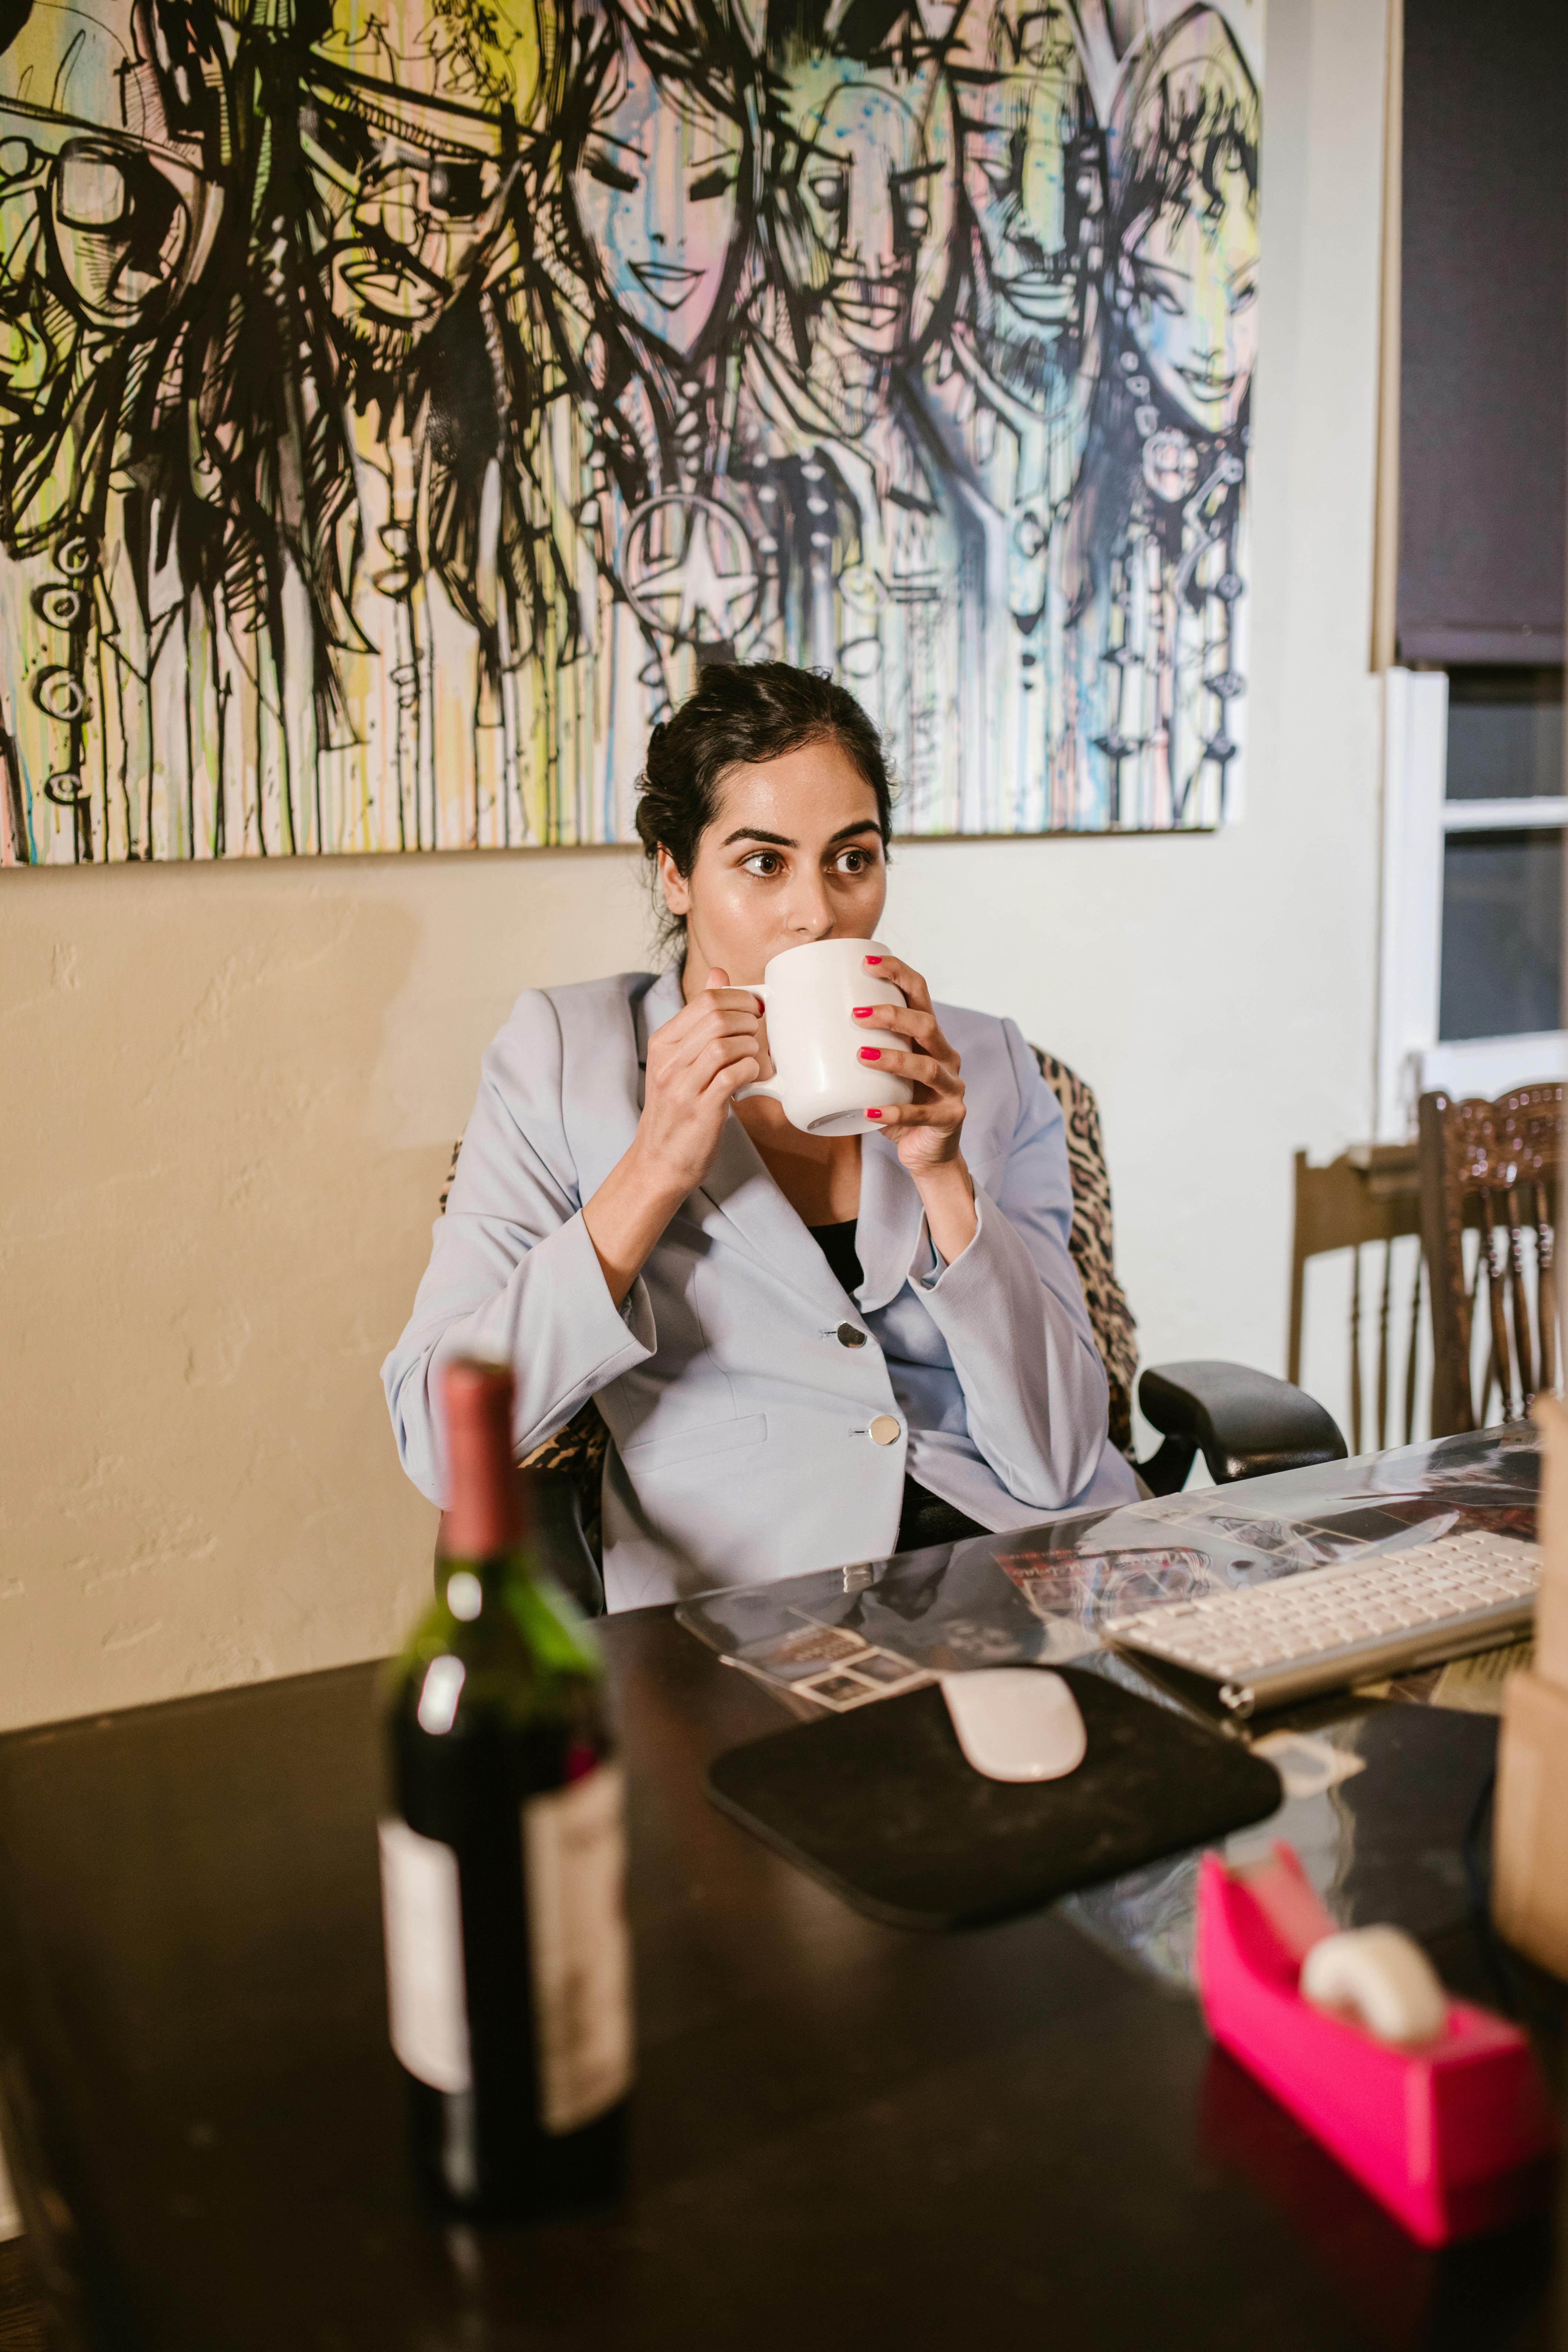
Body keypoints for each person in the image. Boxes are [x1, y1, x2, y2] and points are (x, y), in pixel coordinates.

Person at [383, 660, 1135, 1608]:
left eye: (851, 858)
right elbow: (442, 1443)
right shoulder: (563, 1058)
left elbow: (1062, 1458)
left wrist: (945, 1180)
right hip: (757, 1598)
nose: (816, 911)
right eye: (763, 861)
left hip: (1021, 1565)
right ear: (674, 872)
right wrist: (653, 1167)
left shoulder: (986, 1063)